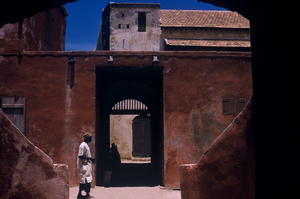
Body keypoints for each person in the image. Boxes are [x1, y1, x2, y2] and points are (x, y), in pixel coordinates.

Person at [77, 133, 95, 199]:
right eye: (90, 138)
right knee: (83, 181)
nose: (91, 139)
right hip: (83, 166)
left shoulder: (86, 145)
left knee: (87, 180)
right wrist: (90, 158)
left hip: (86, 165)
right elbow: (80, 156)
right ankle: (82, 194)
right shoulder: (82, 145)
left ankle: (85, 194)